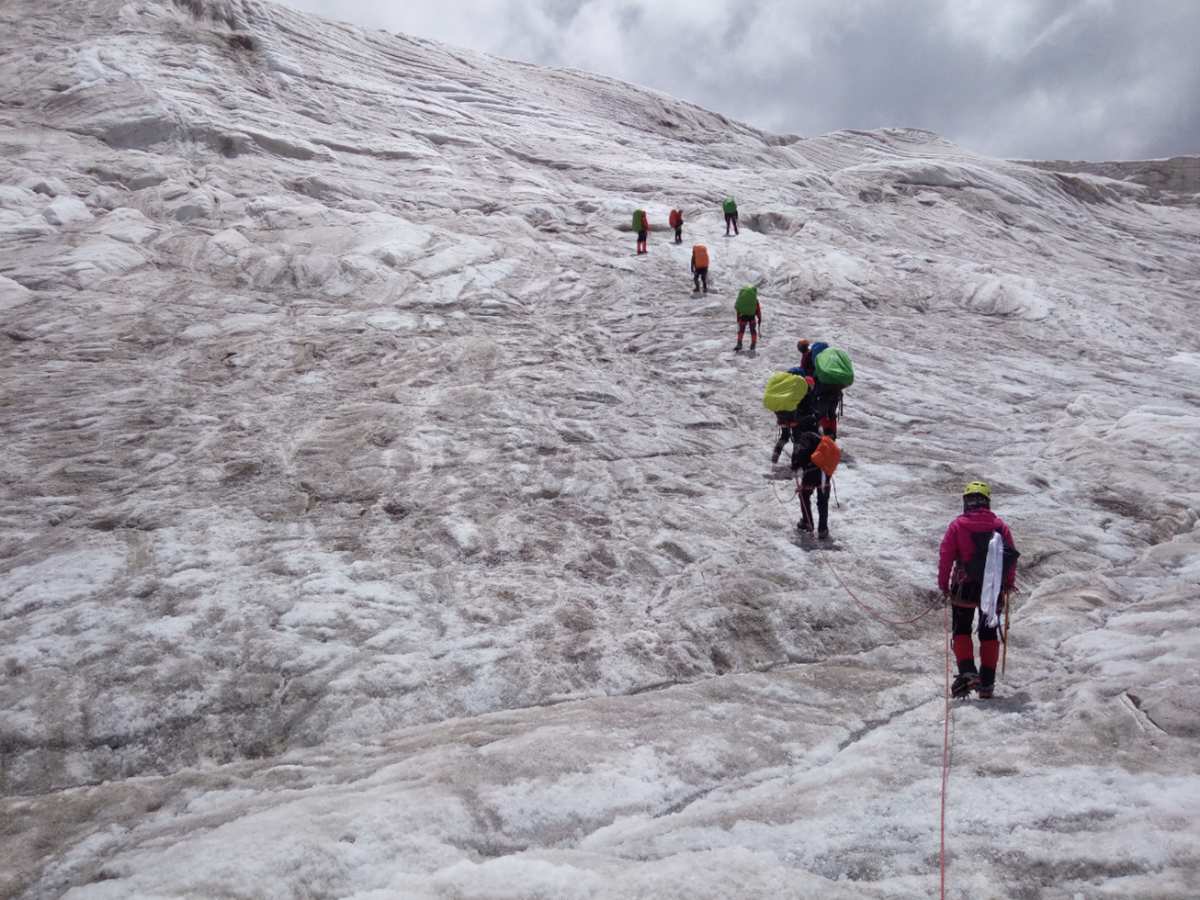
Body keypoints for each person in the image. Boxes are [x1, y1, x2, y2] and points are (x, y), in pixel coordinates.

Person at [938, 481, 1020, 699]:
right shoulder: (1000, 526)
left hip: (964, 587)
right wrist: (1008, 583)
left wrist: (943, 584)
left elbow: (946, 557)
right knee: (988, 633)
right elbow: (1009, 557)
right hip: (992, 590)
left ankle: (968, 672)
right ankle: (987, 684)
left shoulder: (957, 526)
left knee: (962, 630)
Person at [790, 426, 832, 538]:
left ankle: (807, 522)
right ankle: (823, 529)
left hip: (811, 473)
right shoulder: (823, 439)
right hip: (825, 473)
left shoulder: (802, 439)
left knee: (804, 495)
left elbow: (797, 459)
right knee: (823, 501)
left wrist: (795, 466)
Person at [734, 285, 761, 351]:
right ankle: (753, 344)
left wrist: (738, 318)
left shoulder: (742, 300)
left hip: (743, 316)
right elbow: (758, 310)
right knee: (753, 331)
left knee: (741, 330)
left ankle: (739, 344)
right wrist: (759, 318)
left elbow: (738, 308)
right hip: (752, 316)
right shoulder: (755, 300)